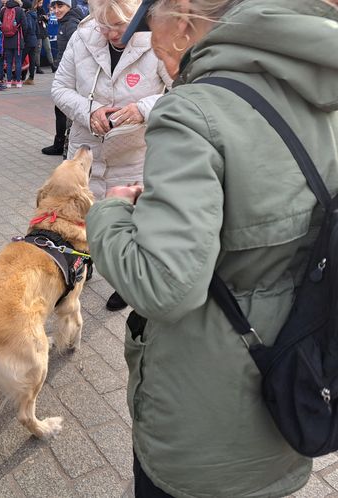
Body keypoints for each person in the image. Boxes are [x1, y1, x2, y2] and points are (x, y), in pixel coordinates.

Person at [86, 0, 338, 496]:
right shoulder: (321, 85)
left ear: (182, 21)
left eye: (150, 29)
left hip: (209, 407)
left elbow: (165, 288)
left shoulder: (193, 109)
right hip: (300, 371)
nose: (149, 48)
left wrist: (110, 213)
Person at [51, 0, 171, 311]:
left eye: (118, 26)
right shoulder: (82, 36)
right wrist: (89, 111)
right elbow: (60, 88)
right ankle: (84, 262)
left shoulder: (157, 37)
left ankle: (126, 283)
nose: (109, 34)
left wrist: (142, 109)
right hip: (87, 146)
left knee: (131, 223)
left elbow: (182, 89)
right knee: (86, 216)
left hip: (134, 152)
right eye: (102, 25)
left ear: (135, 18)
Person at [40, 0, 83, 155]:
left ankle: (64, 147)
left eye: (61, 6)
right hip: (66, 73)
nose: (56, 10)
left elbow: (79, 52)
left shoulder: (71, 24)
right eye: (54, 7)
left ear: (69, 7)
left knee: (66, 110)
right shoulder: (65, 22)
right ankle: (62, 144)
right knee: (62, 109)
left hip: (72, 76)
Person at [0, 0, 26, 87]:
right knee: (18, 61)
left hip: (6, 40)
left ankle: (8, 82)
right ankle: (18, 81)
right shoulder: (20, 10)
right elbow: (25, 25)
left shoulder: (3, 10)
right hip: (17, 40)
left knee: (8, 62)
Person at [34, 0, 55, 73]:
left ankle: (52, 65)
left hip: (44, 31)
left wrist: (45, 18)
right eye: (40, 3)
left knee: (48, 48)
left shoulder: (42, 9)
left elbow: (45, 19)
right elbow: (34, 21)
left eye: (42, 3)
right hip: (37, 33)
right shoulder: (33, 10)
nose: (41, 4)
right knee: (38, 50)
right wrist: (41, 18)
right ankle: (38, 67)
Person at [21, 0, 39, 85]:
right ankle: (31, 78)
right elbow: (37, 29)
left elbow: (28, 27)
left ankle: (15, 78)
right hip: (34, 39)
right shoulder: (34, 14)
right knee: (32, 60)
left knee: (20, 59)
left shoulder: (27, 15)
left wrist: (24, 36)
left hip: (28, 40)